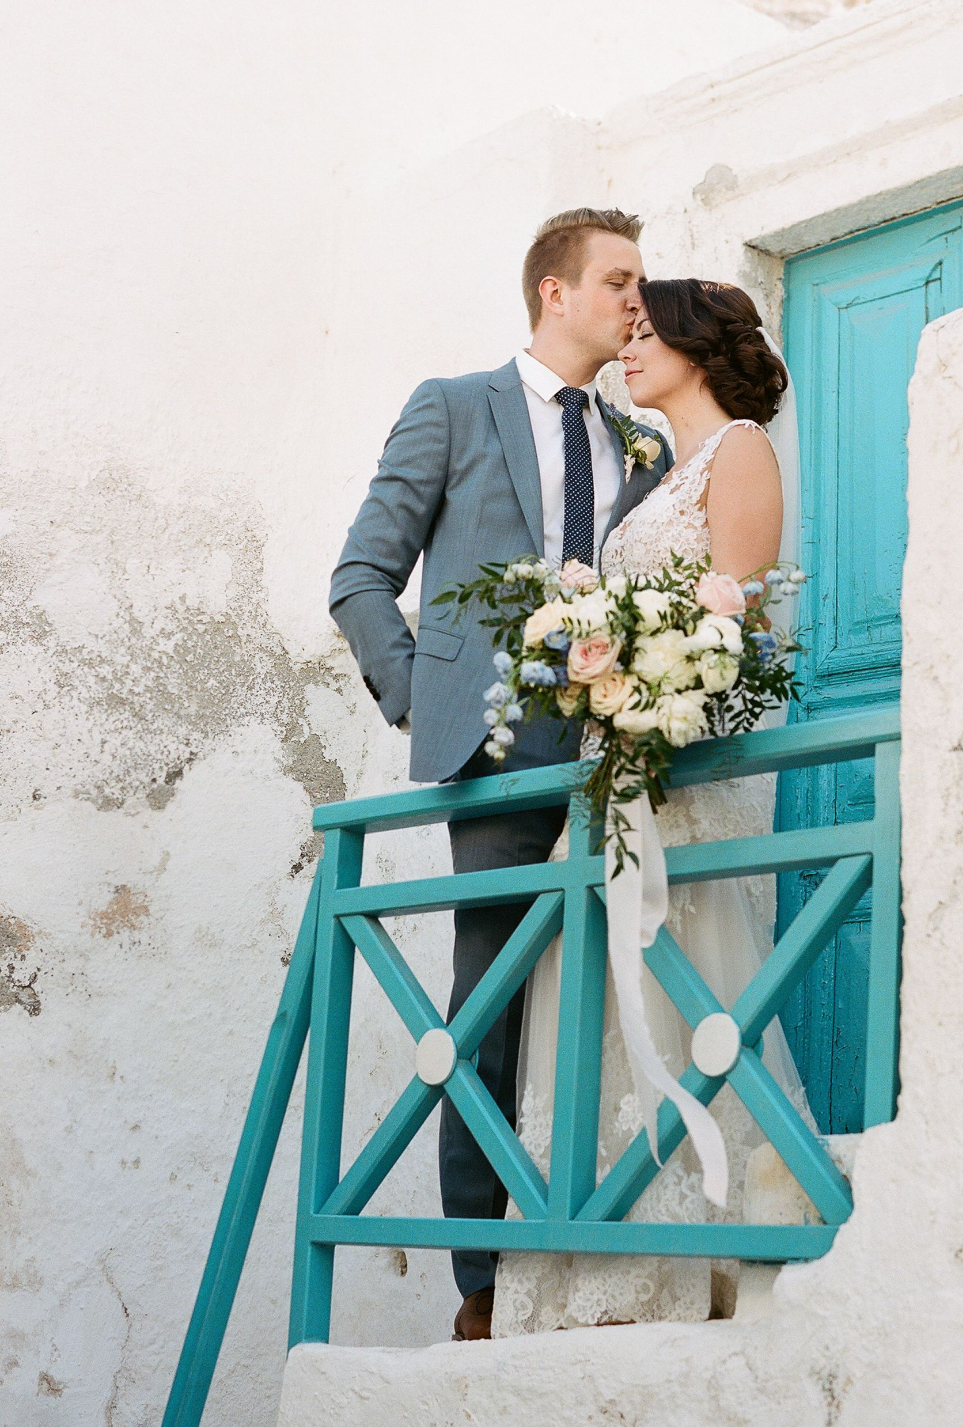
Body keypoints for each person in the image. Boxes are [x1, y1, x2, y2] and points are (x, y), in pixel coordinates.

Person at [329, 209, 673, 1341]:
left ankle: (602, 1252)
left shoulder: (644, 445)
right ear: (553, 293)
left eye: (642, 283)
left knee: (616, 999)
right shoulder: (452, 406)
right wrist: (424, 702)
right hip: (494, 758)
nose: (636, 302)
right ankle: (481, 1282)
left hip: (618, 755)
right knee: (488, 1011)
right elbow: (361, 577)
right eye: (618, 281)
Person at [491, 278, 817, 1336]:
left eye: (644, 334)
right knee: (594, 992)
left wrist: (656, 683)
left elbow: (736, 629)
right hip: (612, 768)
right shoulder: (659, 475)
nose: (626, 351)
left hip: (678, 774)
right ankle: (588, 1260)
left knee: (686, 985)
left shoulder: (739, 453)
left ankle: (702, 1254)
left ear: (695, 345)